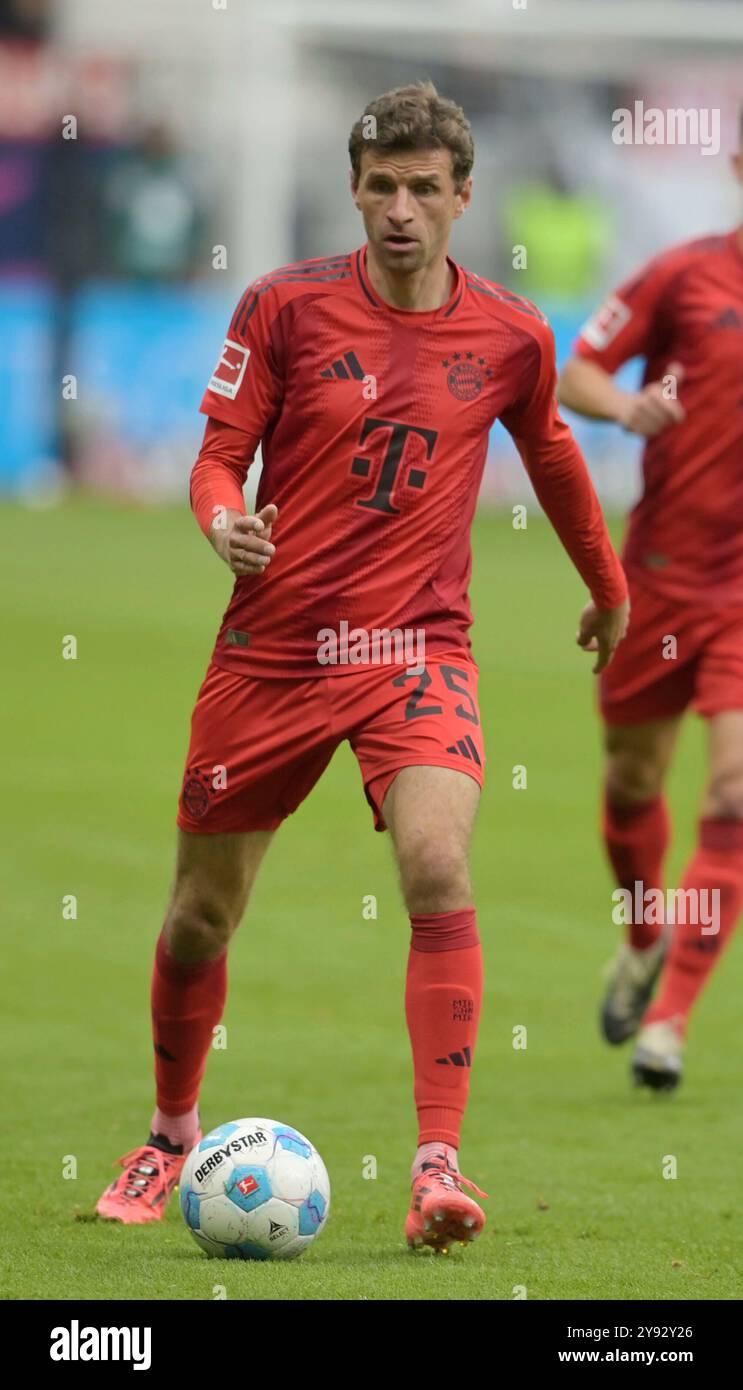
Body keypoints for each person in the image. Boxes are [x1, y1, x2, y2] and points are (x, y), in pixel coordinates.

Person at [97, 80, 628, 1251]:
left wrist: (608, 587)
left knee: (438, 861)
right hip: (273, 652)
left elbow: (552, 464)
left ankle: (438, 1166)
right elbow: (216, 456)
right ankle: (171, 1130)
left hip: (415, 650)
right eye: (380, 186)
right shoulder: (281, 309)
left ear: (461, 199)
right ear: (353, 189)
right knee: (199, 915)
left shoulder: (511, 334)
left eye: (422, 189)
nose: (399, 210)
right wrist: (223, 520)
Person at [558, 121, 743, 1091]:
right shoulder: (680, 277)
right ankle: (640, 938)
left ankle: (665, 1026)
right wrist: (624, 407)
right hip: (661, 578)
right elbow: (575, 370)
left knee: (731, 794)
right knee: (632, 781)